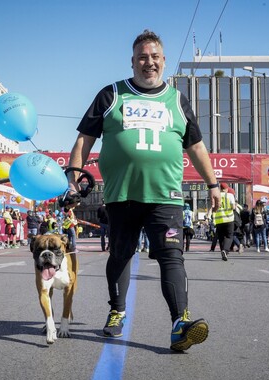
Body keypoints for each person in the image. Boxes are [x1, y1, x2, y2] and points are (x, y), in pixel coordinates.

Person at [67, 30, 219, 351]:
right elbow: (84, 140)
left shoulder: (178, 100)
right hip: (122, 194)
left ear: (163, 61)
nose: (148, 62)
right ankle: (117, 312)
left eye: (154, 57)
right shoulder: (111, 95)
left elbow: (196, 146)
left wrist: (213, 185)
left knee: (171, 256)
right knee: (121, 254)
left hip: (165, 196)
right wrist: (74, 176)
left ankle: (180, 324)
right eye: (142, 57)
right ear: (133, 61)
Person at [212, 183, 236, 261]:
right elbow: (233, 207)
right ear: (226, 189)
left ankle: (223, 251)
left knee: (221, 237)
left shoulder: (216, 196)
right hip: (229, 219)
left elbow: (213, 207)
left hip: (219, 220)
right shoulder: (230, 196)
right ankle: (225, 250)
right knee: (229, 236)